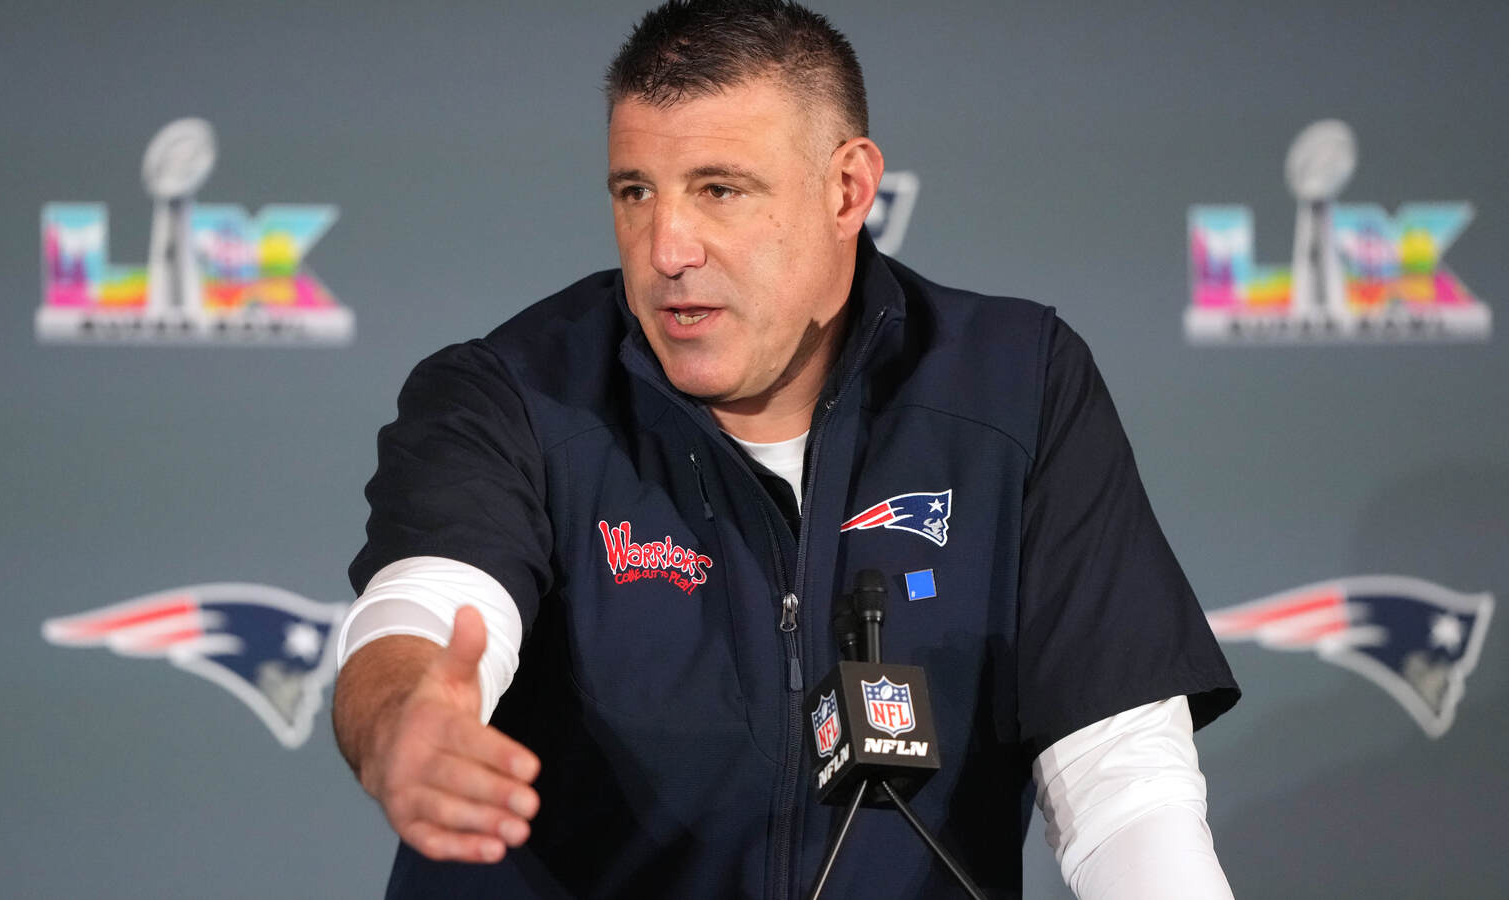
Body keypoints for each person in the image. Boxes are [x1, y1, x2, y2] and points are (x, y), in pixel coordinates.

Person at [332, 2, 1240, 897]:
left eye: (719, 190)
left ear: (847, 189)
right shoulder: (512, 392)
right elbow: (425, 606)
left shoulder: (1018, 387)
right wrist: (405, 718)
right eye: (635, 191)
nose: (666, 248)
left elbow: (1123, 777)